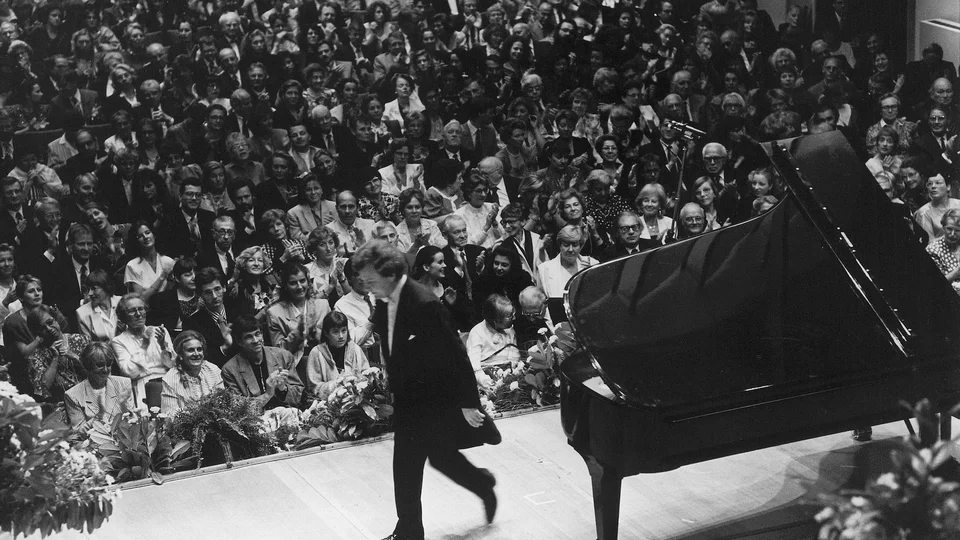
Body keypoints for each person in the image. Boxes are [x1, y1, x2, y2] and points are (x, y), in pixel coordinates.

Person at [352, 240, 497, 539]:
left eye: (370, 280)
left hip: (437, 399)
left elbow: (456, 354)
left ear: (389, 274)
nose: (367, 287)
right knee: (410, 464)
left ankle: (480, 485)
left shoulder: (424, 303)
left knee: (434, 459)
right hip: (410, 400)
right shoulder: (384, 299)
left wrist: (469, 403)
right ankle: (410, 531)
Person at [222, 315, 305, 410]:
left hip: (286, 413)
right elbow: (238, 409)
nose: (255, 340)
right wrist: (267, 395)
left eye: (257, 334)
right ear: (239, 341)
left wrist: (283, 389)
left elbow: (298, 398)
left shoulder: (284, 356)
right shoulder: (230, 370)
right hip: (254, 418)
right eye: (249, 337)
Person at [111, 292, 175, 402]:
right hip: (142, 386)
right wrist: (144, 345)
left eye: (141, 309)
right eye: (132, 311)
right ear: (123, 316)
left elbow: (172, 365)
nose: (138, 314)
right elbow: (129, 372)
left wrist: (163, 346)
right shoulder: (118, 341)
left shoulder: (160, 331)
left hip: (167, 381)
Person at [64, 343, 135, 433]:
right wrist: (98, 417)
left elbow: (132, 419)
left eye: (108, 364)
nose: (105, 370)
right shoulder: (73, 395)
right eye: (100, 365)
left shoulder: (123, 384)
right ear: (87, 365)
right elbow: (78, 433)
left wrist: (127, 410)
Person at [267, 264, 331, 362]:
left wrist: (314, 332)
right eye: (293, 283)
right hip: (295, 364)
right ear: (285, 286)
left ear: (308, 282)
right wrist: (298, 332)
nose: (299, 287)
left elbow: (332, 338)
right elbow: (278, 352)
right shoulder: (274, 313)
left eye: (302, 281)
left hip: (324, 360)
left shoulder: (322, 305)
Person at [26, 304, 89, 403]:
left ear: (56, 320)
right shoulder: (36, 357)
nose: (49, 329)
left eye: (50, 322)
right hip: (62, 405)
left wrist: (74, 357)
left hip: (90, 397)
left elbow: (98, 372)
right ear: (37, 333)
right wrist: (55, 359)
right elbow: (42, 390)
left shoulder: (81, 340)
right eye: (42, 328)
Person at [302, 311, 370, 400]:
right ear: (326, 333)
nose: (341, 336)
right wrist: (337, 384)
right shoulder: (317, 353)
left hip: (357, 400)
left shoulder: (355, 350)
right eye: (335, 332)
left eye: (344, 330)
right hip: (328, 403)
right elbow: (314, 388)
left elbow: (367, 377)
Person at [183, 267, 238, 368]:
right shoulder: (192, 324)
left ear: (224, 288)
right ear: (200, 294)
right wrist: (225, 346)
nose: (214, 296)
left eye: (217, 289)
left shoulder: (237, 310)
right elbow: (201, 361)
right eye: (208, 292)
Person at [160, 330, 224, 414]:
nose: (196, 354)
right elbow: (169, 414)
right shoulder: (170, 379)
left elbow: (223, 404)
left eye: (199, 349)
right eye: (190, 350)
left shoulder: (213, 370)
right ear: (180, 355)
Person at [466, 294, 520, 385]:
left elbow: (515, 354)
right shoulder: (477, 333)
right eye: (510, 316)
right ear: (497, 321)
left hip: (511, 376)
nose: (514, 318)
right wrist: (489, 383)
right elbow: (475, 368)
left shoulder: (509, 329)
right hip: (489, 379)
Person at [537, 225, 599, 301]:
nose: (570, 249)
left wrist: (591, 278)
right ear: (560, 245)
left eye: (575, 245)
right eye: (566, 245)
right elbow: (541, 303)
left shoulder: (593, 264)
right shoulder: (544, 270)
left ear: (580, 246)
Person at [124, 221, 176, 302]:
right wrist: (162, 277)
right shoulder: (132, 266)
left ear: (154, 235)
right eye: (140, 236)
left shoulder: (168, 261)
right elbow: (140, 299)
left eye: (147, 232)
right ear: (136, 241)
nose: (145, 237)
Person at [229, 246, 278, 318]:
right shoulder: (237, 289)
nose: (256, 264)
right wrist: (265, 310)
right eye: (251, 260)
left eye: (260, 260)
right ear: (244, 264)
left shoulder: (268, 285)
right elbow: (241, 322)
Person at [287, 173, 336, 241]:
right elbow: (296, 237)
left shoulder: (334, 207)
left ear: (322, 190)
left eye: (316, 188)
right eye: (308, 190)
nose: (313, 192)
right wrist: (320, 235)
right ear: (303, 192)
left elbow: (341, 230)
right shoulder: (293, 213)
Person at [305, 227, 350, 302]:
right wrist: (331, 286)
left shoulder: (344, 263)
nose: (328, 248)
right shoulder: (308, 270)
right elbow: (309, 302)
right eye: (322, 244)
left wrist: (341, 278)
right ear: (315, 249)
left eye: (331, 242)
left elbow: (354, 296)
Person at [76, 269, 121, 342]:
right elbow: (89, 345)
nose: (90, 293)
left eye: (94, 289)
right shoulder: (83, 313)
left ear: (106, 287)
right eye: (88, 289)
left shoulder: (121, 302)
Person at [915, 174, 960, 244]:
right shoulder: (923, 213)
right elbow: (929, 243)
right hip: (940, 249)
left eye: (938, 183)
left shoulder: (958, 204)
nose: (933, 186)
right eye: (929, 184)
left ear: (948, 187)